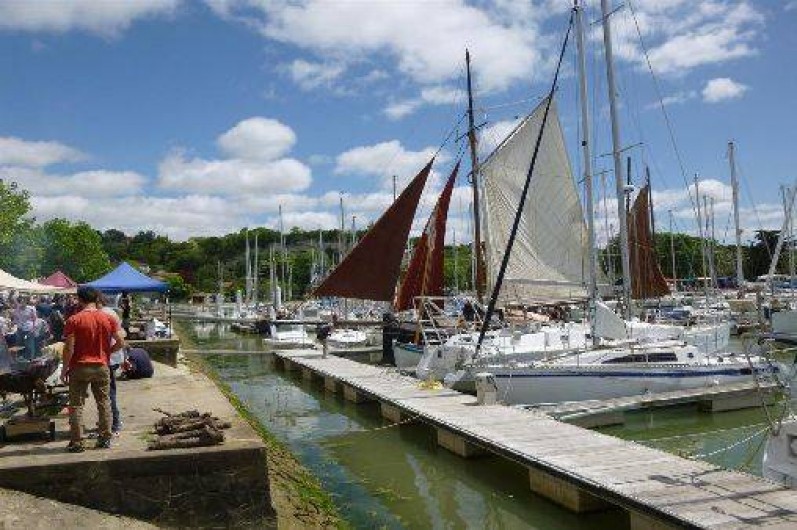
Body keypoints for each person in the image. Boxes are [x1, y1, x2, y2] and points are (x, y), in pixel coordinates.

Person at [61, 286, 125, 453]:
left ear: (79, 299)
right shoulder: (107, 318)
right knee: (104, 402)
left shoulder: (74, 320)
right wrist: (106, 353)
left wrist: (64, 369)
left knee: (76, 406)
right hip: (101, 366)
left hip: (79, 367)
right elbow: (120, 342)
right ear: (96, 299)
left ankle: (77, 442)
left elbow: (69, 348)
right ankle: (104, 439)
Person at [98, 294, 125, 434]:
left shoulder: (103, 314)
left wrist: (107, 352)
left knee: (108, 393)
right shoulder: (111, 312)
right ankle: (109, 420)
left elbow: (120, 341)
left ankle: (114, 422)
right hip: (112, 358)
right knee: (108, 392)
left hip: (108, 359)